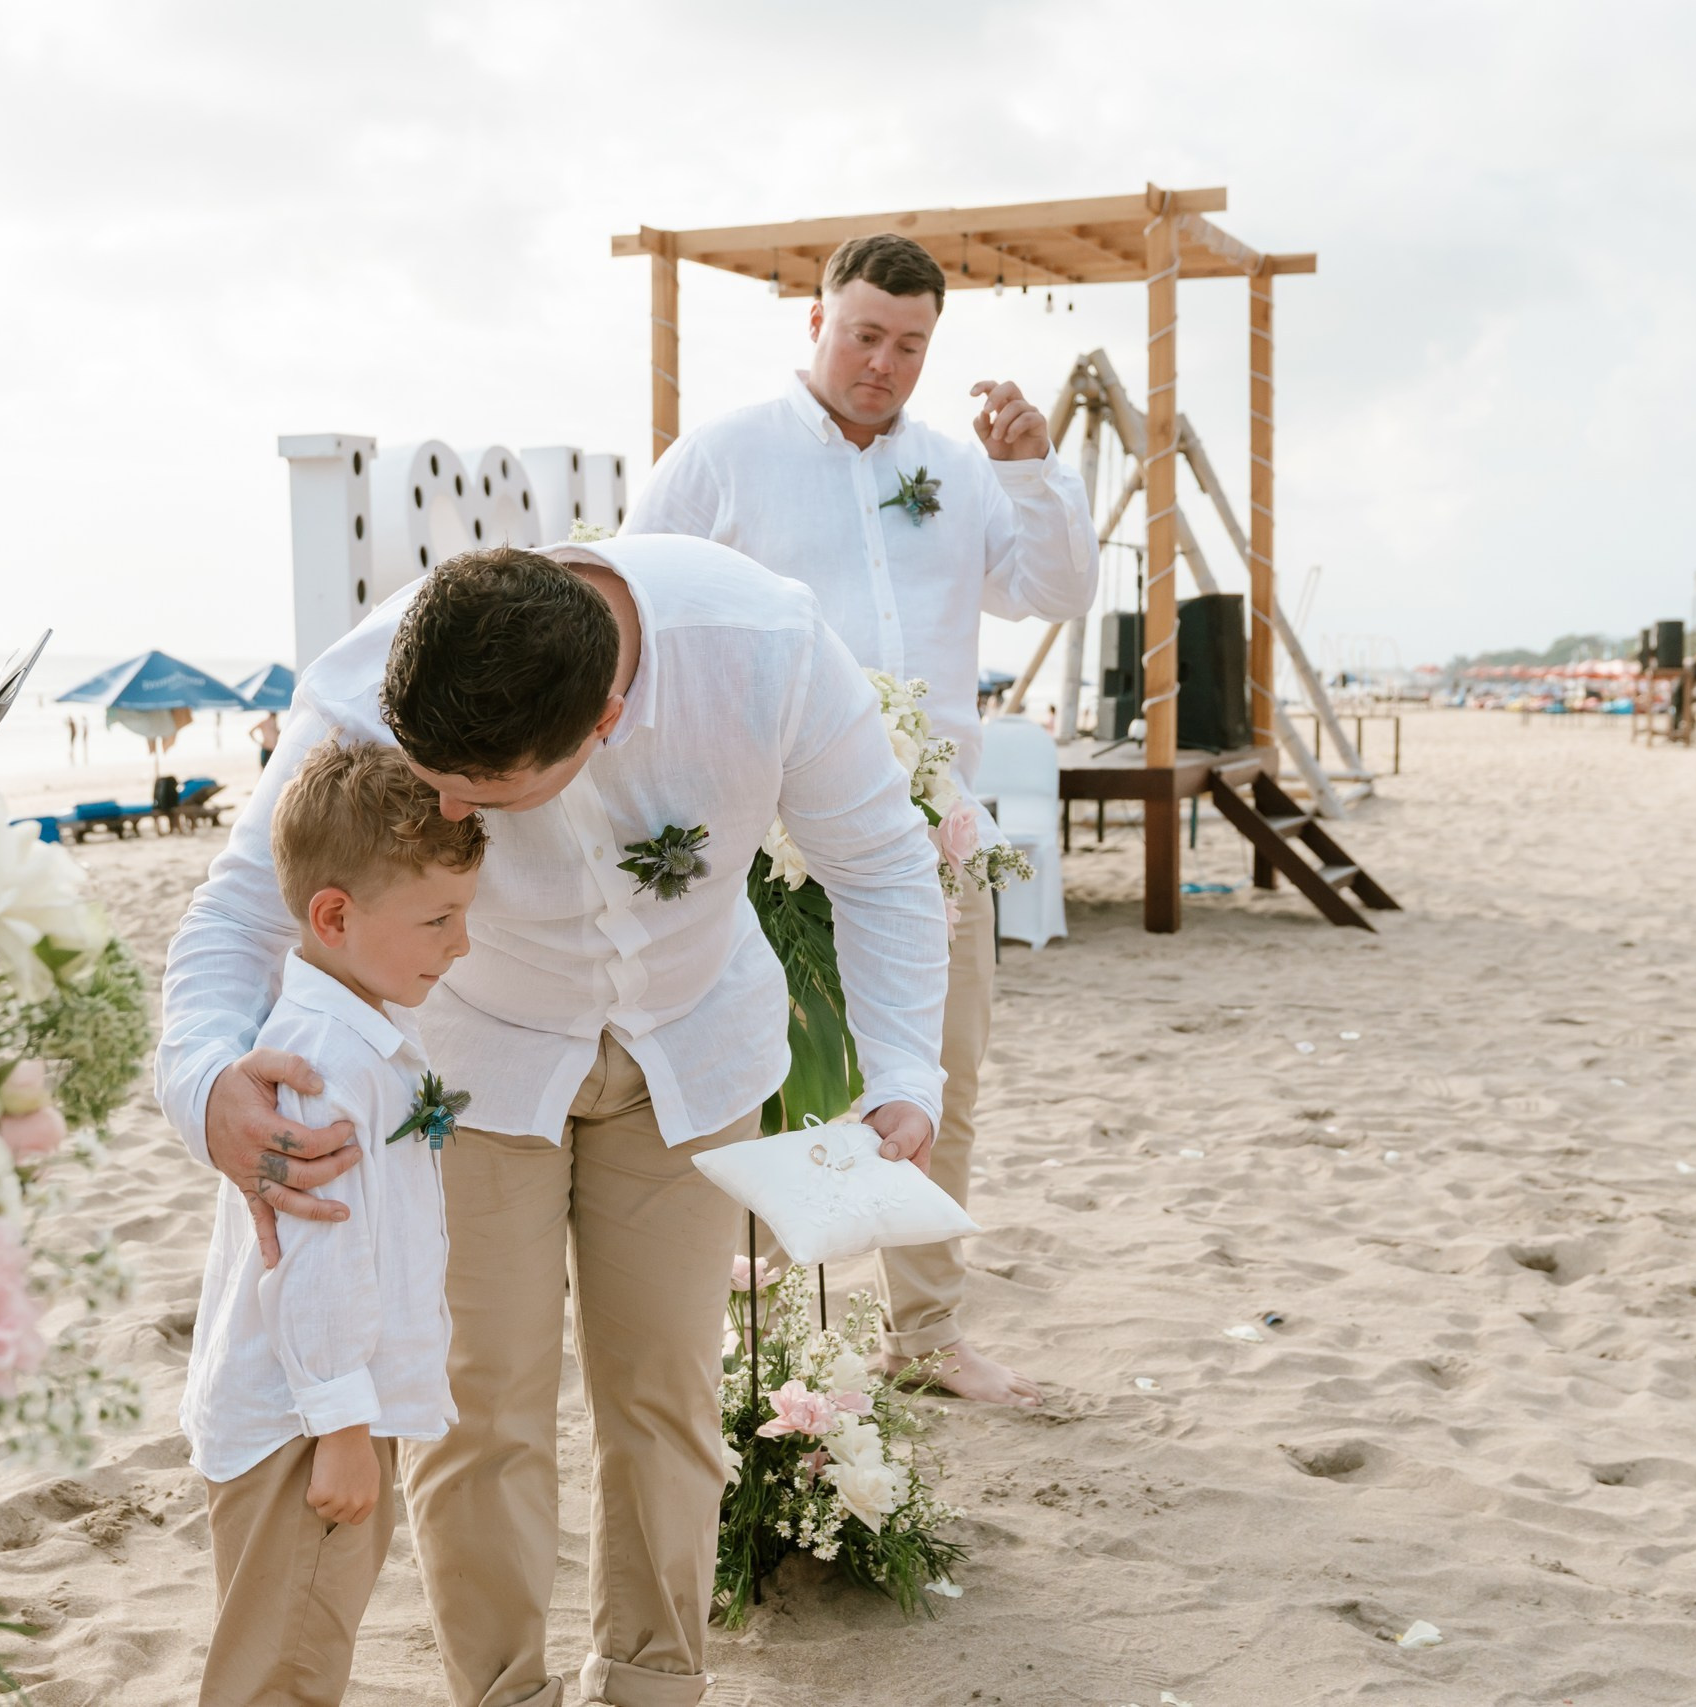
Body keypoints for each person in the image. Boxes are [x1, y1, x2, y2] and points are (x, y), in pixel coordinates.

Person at [160, 539, 950, 1707]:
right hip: (472, 1066)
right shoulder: (381, 687)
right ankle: (504, 1694)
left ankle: (647, 1683)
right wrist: (202, 1078)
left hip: (695, 1047)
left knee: (664, 1395)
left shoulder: (767, 648)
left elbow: (880, 859)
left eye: (480, 797)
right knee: (477, 1406)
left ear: (605, 722)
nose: (443, 805)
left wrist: (902, 1073)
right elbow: (241, 899)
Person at [624, 232, 1098, 1408]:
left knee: (941, 1078)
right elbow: (638, 619)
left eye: (910, 346)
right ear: (817, 324)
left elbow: (1055, 590)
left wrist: (1034, 472)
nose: (883, 363)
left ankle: (928, 1334)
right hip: (768, 830)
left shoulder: (957, 464)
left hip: (934, 831)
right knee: (778, 1076)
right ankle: (778, 1330)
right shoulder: (720, 459)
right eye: (864, 335)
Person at [180, 738, 485, 1707]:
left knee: (291, 1644)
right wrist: (344, 1427)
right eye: (439, 918)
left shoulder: (360, 1029)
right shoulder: (323, 1062)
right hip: (305, 1423)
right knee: (285, 1669)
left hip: (321, 1410)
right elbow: (313, 1258)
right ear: (334, 917)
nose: (461, 944)